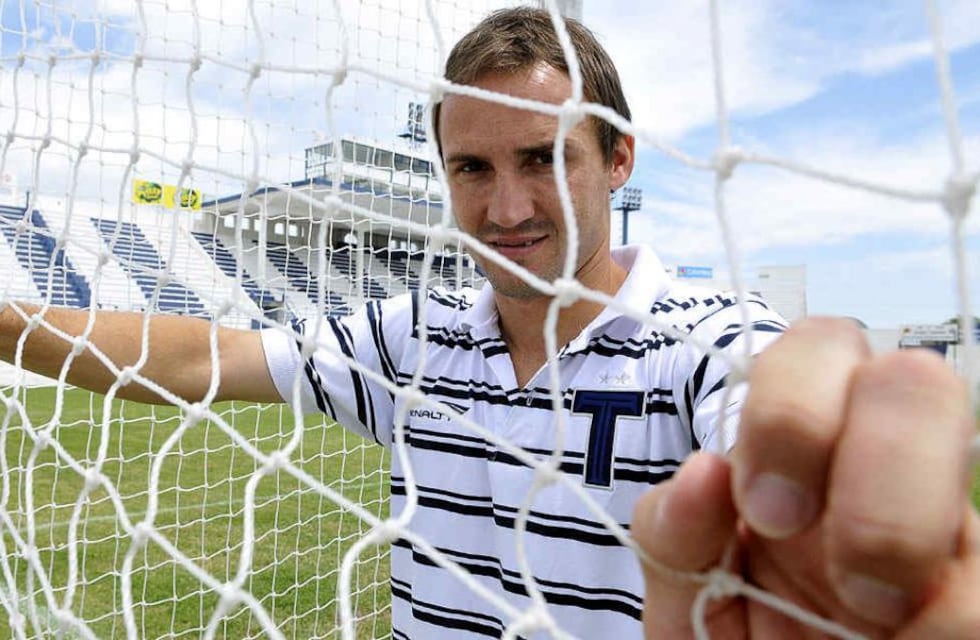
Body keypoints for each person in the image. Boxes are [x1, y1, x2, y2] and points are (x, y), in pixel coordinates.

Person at [0, 6, 975, 640]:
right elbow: (204, 353)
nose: (507, 207)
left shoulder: (701, 339)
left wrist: (828, 468)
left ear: (617, 159)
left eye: (542, 158)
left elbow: (761, 404)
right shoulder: (406, 339)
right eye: (472, 168)